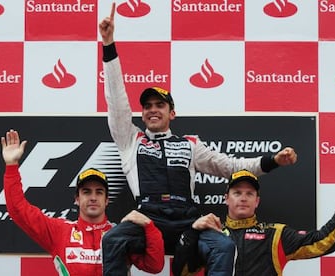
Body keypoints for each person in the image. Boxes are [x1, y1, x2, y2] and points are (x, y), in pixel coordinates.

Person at [98, 3, 297, 275]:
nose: (153, 109)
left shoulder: (190, 144)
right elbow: (116, 101)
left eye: (160, 105)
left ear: (172, 113)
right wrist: (108, 45)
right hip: (148, 218)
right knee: (112, 239)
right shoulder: (130, 140)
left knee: (224, 246)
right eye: (147, 106)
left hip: (187, 220)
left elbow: (230, 166)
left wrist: (273, 160)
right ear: (142, 114)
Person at [1, 129, 164, 276]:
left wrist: (149, 228)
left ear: (107, 200)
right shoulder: (60, 231)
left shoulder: (121, 234)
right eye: (86, 192)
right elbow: (18, 210)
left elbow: (154, 266)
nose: (93, 197)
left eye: (99, 192)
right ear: (77, 199)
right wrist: (11, 166)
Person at [182, 169, 335, 276]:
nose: (243, 198)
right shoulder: (211, 234)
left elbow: (323, 241)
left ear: (257, 201)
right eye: (237, 193)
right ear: (226, 199)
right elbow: (184, 272)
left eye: (249, 193)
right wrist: (191, 233)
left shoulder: (275, 235)